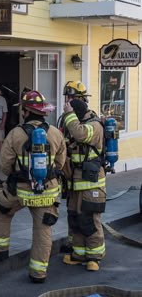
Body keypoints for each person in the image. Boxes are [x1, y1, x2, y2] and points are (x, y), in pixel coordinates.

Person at [0, 90, 66, 283]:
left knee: (1, 211)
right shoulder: (55, 133)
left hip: (19, 191)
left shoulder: (15, 134)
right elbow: (61, 164)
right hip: (48, 192)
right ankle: (38, 273)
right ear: (44, 112)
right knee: (43, 229)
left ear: (26, 112)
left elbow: (5, 165)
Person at [61, 81, 106, 271]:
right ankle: (79, 254)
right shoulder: (72, 122)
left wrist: (69, 114)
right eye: (66, 98)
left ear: (81, 100)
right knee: (75, 217)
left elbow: (80, 136)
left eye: (71, 99)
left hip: (91, 181)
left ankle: (94, 257)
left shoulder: (94, 124)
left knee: (89, 218)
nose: (68, 102)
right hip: (74, 181)